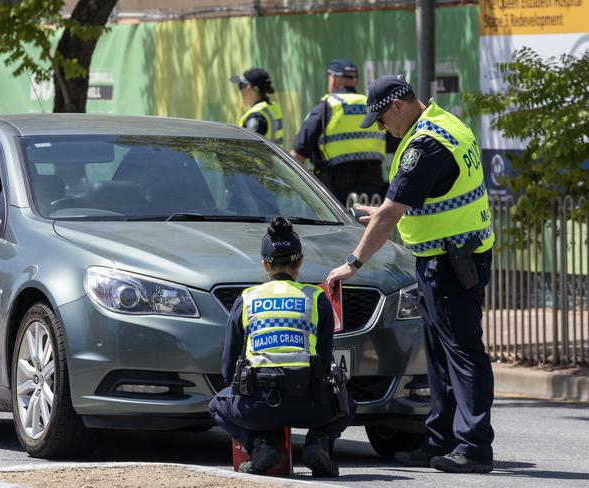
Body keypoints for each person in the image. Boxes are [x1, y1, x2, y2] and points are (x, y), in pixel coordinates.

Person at [325, 75, 495, 474]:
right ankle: (441, 439)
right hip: (457, 255)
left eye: (382, 120)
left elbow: (390, 214)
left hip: (450, 262)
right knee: (440, 356)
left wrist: (353, 262)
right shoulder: (448, 124)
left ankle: (473, 446)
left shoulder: (424, 145)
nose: (383, 129)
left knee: (463, 353)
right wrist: (385, 213)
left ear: (398, 105)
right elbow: (433, 197)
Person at [209, 217, 355, 478]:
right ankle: (317, 444)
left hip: (257, 405)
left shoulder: (246, 299)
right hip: (310, 404)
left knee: (216, 404)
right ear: (300, 261)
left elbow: (228, 366)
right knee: (348, 403)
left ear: (265, 264)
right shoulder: (316, 297)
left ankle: (262, 445)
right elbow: (323, 358)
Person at [290, 58, 387, 204]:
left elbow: (298, 153)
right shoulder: (372, 106)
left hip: (335, 193)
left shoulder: (327, 106)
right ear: (355, 81)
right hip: (373, 190)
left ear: (333, 79)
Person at [229, 68, 284, 145]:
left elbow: (249, 149)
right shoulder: (271, 108)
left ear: (249, 88)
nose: (240, 91)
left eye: (241, 86)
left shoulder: (256, 117)